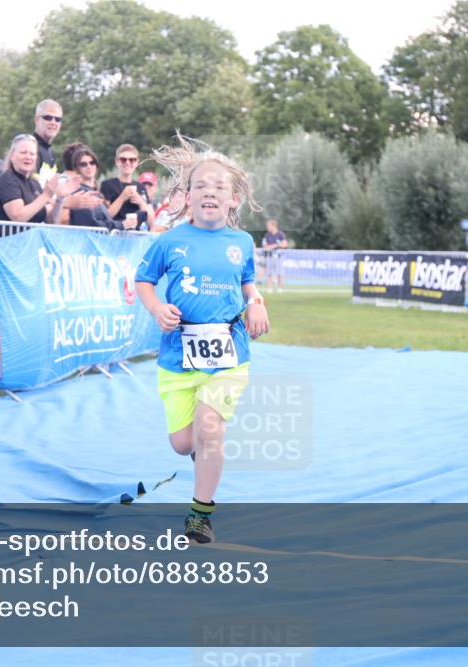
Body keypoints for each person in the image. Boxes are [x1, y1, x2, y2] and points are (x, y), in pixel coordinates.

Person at [134, 134, 268, 544]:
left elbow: (247, 283)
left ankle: (199, 513)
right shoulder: (170, 241)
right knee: (182, 443)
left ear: (233, 201)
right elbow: (143, 281)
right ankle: (203, 450)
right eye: (201, 186)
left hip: (230, 355)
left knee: (210, 427)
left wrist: (258, 302)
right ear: (187, 196)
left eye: (220, 187)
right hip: (177, 358)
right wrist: (157, 308)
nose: (210, 191)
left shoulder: (242, 242)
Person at [0, 134, 77, 224]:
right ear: (12, 156)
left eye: (32, 154)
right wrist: (45, 196)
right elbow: (17, 217)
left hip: (33, 237)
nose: (28, 157)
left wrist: (60, 199)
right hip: (9, 237)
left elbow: (51, 220)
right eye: (23, 152)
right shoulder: (7, 178)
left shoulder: (34, 183)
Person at [101, 144, 155, 230]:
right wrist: (122, 197)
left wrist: (140, 202)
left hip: (135, 237)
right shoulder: (107, 184)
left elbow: (151, 222)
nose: (127, 162)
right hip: (114, 234)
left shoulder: (141, 187)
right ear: (117, 161)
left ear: (137, 162)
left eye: (132, 160)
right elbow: (105, 216)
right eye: (123, 159)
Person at [60, 146, 114, 228]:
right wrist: (122, 225)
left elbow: (106, 219)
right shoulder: (78, 191)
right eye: (83, 164)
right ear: (76, 168)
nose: (89, 166)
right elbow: (92, 224)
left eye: (92, 163)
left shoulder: (97, 192)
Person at [32, 99, 63, 187]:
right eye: (48, 118)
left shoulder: (50, 152)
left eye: (58, 119)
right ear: (37, 119)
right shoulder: (30, 147)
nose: (53, 122)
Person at [261, 218, 288, 291]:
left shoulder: (280, 234)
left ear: (273, 226)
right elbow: (265, 245)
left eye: (268, 226)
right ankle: (269, 288)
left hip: (279, 257)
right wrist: (270, 246)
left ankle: (280, 288)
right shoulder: (267, 235)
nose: (267, 227)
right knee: (269, 272)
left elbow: (285, 244)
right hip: (269, 256)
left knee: (280, 272)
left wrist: (275, 246)